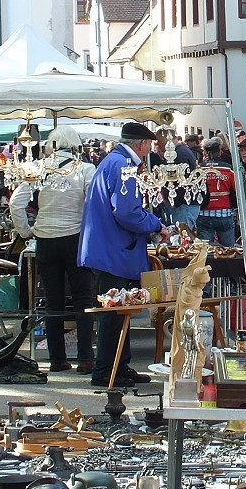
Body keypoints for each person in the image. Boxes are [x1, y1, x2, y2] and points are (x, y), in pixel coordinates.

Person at [79, 122, 168, 388]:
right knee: (114, 312)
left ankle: (119, 365)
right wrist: (155, 225)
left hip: (108, 248)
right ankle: (106, 370)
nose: (148, 152)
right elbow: (127, 213)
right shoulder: (123, 167)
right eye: (148, 147)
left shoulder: (113, 162)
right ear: (141, 144)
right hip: (113, 251)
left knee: (120, 311)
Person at [9, 126, 98, 375]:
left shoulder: (38, 167)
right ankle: (85, 358)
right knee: (82, 300)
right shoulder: (84, 169)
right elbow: (94, 203)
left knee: (52, 300)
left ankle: (57, 358)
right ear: (76, 145)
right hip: (75, 238)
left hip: (45, 238)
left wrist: (26, 230)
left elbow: (16, 203)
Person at [153, 127, 201, 228]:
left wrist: (174, 202)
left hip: (183, 206)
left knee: (182, 238)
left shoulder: (179, 154)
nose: (157, 144)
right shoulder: (180, 151)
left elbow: (181, 183)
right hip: (182, 205)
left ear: (165, 139)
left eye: (158, 141)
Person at [196, 138, 238, 247]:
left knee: (205, 251)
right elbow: (237, 190)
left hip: (203, 213)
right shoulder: (228, 170)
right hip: (225, 213)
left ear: (204, 153)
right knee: (229, 250)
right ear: (220, 152)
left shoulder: (198, 170)